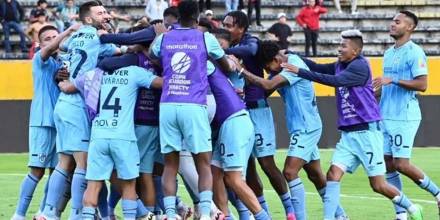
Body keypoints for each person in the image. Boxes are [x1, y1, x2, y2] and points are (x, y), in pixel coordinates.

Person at [281, 29, 424, 220]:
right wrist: (294, 56)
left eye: (343, 46)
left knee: (378, 185)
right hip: (348, 135)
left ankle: (412, 208)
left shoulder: (359, 66)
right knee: (332, 175)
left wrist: (299, 71)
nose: (339, 49)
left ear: (355, 51)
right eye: (339, 45)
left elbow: (334, 81)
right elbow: (319, 68)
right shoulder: (342, 64)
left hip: (367, 132)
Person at [235, 40, 349, 220]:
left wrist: (241, 70)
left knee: (289, 171)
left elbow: (268, 85)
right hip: (304, 126)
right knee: (315, 175)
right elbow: (265, 89)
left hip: (306, 128)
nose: (269, 72)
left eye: (268, 67)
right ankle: (341, 215)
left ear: (276, 59)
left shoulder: (292, 66)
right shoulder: (286, 62)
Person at [149, 1, 233, 219]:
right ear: (197, 18)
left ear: (177, 17)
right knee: (203, 162)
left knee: (170, 164)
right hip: (194, 103)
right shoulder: (205, 38)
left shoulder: (164, 37)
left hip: (167, 104)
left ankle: (168, 213)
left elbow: (152, 56)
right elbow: (225, 66)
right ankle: (205, 213)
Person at [39, 1, 120, 219]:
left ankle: (48, 212)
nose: (105, 15)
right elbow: (124, 49)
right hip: (76, 104)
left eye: (105, 11)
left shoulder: (76, 38)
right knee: (82, 165)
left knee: (64, 163)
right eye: (100, 13)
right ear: (88, 19)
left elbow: (63, 48)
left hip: (63, 105)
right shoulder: (98, 38)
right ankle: (77, 214)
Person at [222, 11, 296, 220]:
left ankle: (290, 211)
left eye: (229, 25)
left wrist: (223, 51)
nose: (226, 28)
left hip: (257, 110)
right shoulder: (222, 45)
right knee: (246, 168)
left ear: (241, 28)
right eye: (224, 25)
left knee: (267, 163)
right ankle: (264, 213)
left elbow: (252, 49)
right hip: (237, 113)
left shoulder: (250, 41)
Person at [373, 11, 440, 220]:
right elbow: (384, 86)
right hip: (386, 115)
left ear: (409, 27)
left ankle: (438, 193)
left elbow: (423, 85)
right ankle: (401, 214)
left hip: (405, 116)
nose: (392, 24)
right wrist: (369, 95)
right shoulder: (388, 53)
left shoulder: (415, 52)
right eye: (392, 20)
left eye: (397, 21)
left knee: (401, 164)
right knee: (387, 163)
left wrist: (391, 80)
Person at [10, 24, 79, 220]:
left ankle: (43, 212)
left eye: (55, 36)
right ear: (39, 44)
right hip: (42, 122)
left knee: (58, 170)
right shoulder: (39, 59)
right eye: (47, 38)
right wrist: (67, 32)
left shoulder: (62, 63)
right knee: (37, 170)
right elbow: (48, 49)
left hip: (61, 122)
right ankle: (19, 214)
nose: (52, 40)